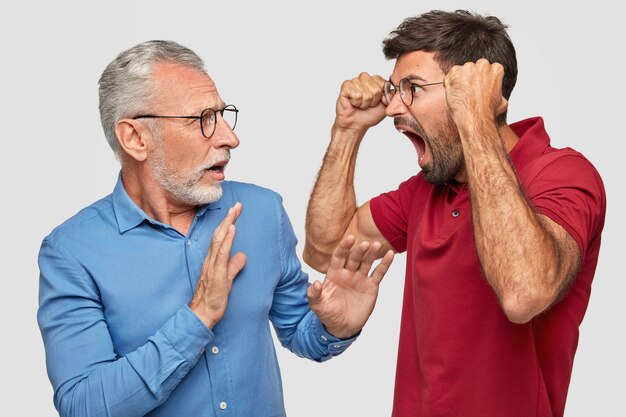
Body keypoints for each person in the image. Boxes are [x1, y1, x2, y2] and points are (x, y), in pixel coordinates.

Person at [37, 40, 394, 417]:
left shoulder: (261, 211)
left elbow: (301, 334)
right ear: (135, 138)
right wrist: (197, 318)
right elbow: (83, 406)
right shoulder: (72, 252)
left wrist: (335, 326)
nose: (230, 137)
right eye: (203, 119)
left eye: (223, 115)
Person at [304, 9, 606, 417]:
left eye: (412, 88)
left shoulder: (563, 175)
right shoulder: (427, 190)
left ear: (476, 91)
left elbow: (523, 293)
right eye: (395, 89)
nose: (393, 108)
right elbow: (326, 250)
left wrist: (477, 122)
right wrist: (347, 130)